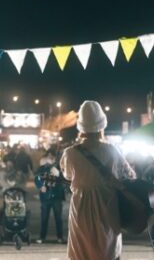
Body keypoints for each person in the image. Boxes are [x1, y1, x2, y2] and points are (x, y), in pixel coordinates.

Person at [60, 101, 136, 260]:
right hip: (108, 207)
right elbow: (130, 175)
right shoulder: (112, 150)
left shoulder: (70, 153)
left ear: (81, 126)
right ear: (102, 125)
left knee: (81, 250)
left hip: (80, 208)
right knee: (107, 249)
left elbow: (67, 175)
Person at [34, 150, 67, 244]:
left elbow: (65, 180)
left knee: (58, 218)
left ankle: (60, 237)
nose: (50, 158)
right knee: (44, 218)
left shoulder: (59, 167)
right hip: (45, 197)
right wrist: (41, 186)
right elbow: (37, 178)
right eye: (48, 156)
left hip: (57, 196)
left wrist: (59, 174)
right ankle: (42, 237)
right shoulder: (42, 168)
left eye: (52, 156)